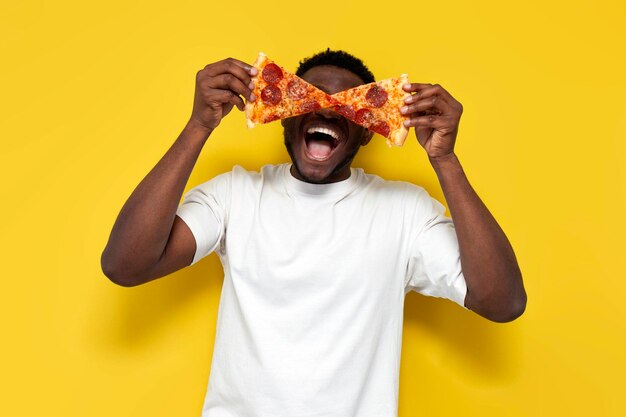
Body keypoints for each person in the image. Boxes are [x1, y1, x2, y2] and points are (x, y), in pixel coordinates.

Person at [101, 49, 526, 417]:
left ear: (367, 129)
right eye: (307, 100)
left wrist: (445, 161)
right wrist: (198, 125)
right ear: (283, 115)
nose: (324, 112)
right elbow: (125, 265)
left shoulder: (405, 211)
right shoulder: (236, 194)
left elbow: (503, 302)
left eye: (347, 107)